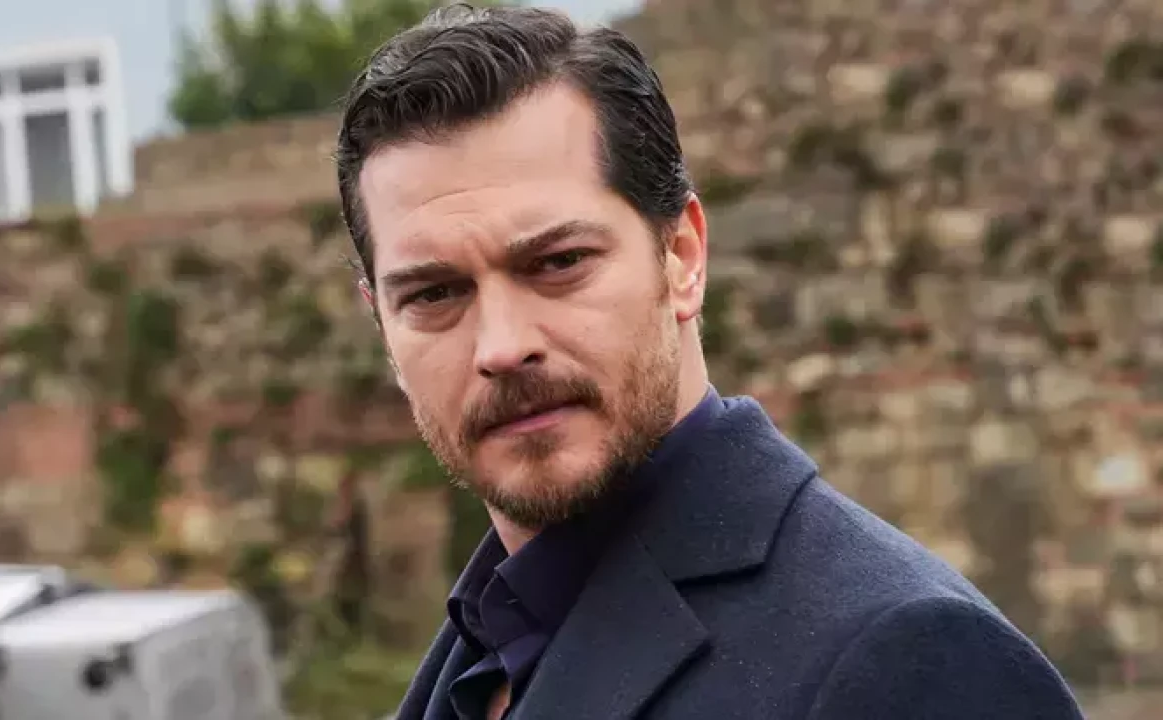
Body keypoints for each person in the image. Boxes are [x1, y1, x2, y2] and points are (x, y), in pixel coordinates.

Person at [334, 4, 1085, 719]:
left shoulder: (911, 663)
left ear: (683, 257)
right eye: (433, 294)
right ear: (383, 327)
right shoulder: (489, 640)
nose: (502, 346)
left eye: (559, 262)